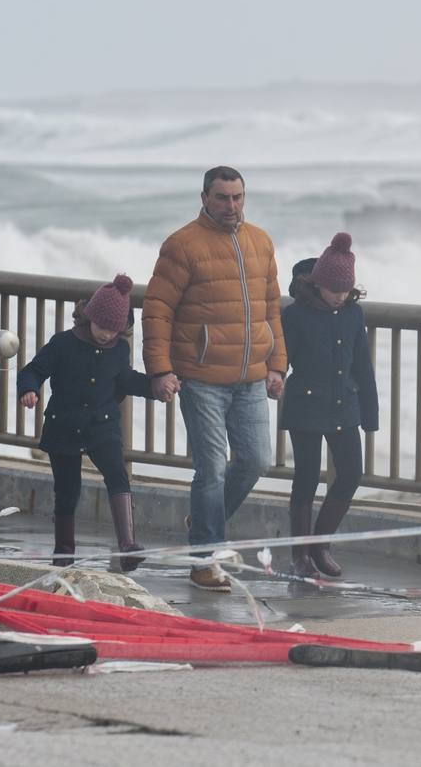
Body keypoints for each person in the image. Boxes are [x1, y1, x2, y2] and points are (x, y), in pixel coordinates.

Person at [143, 165, 287, 591]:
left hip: (250, 378)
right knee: (211, 470)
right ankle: (204, 561)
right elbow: (157, 309)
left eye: (238, 197)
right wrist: (160, 370)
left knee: (257, 459)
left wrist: (277, 364)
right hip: (201, 376)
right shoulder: (182, 245)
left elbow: (272, 309)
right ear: (205, 197)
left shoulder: (260, 241)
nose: (231, 206)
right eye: (223, 198)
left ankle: (204, 522)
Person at [17, 274, 153, 571]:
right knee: (68, 490)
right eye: (103, 327)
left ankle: (128, 545)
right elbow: (33, 370)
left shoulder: (120, 349)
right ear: (90, 317)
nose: (107, 335)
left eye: (115, 330)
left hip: (102, 426)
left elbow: (125, 379)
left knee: (118, 476)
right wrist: (28, 389)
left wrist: (155, 387)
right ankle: (64, 554)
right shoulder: (63, 343)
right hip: (63, 425)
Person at [279, 232, 378, 577]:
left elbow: (363, 365)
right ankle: (300, 556)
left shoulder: (354, 315)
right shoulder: (295, 315)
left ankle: (321, 545)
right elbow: (282, 359)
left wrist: (370, 414)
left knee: (351, 473)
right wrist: (274, 375)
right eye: (333, 289)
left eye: (344, 291)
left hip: (344, 405)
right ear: (318, 283)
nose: (338, 297)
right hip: (305, 405)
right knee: (305, 478)